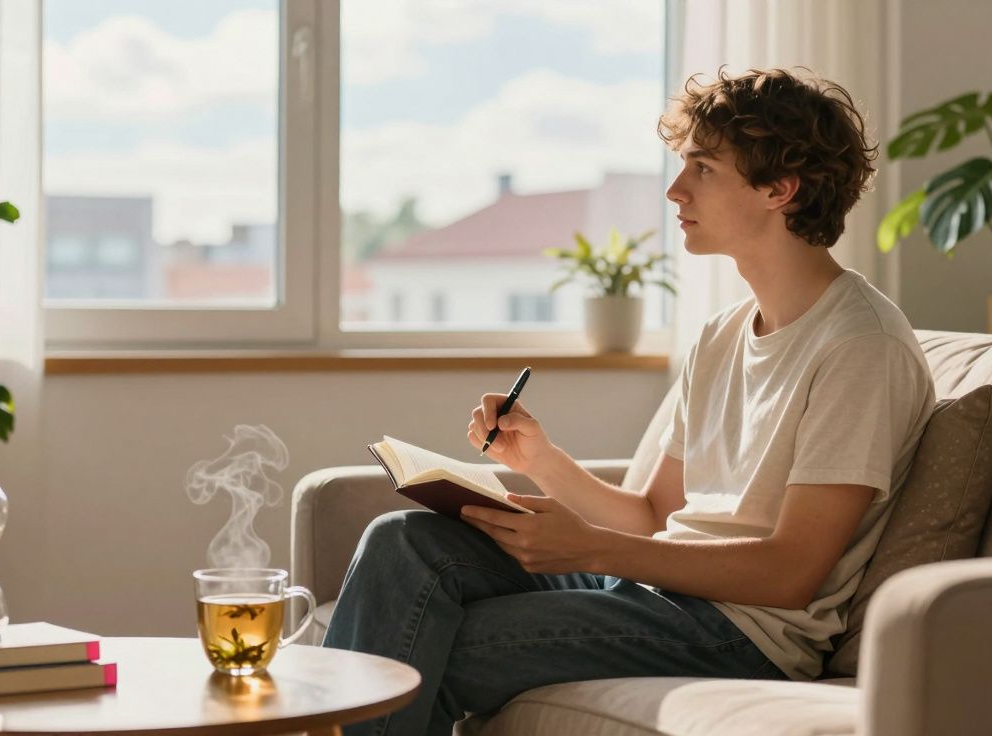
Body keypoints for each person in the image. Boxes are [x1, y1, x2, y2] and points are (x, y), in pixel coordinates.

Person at [321, 67, 937, 736]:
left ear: (778, 189)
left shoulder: (859, 345)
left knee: (411, 655)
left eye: (702, 169)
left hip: (739, 634)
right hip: (654, 596)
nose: (675, 190)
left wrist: (590, 550)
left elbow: (791, 572)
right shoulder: (722, 333)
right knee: (404, 541)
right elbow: (652, 517)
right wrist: (542, 461)